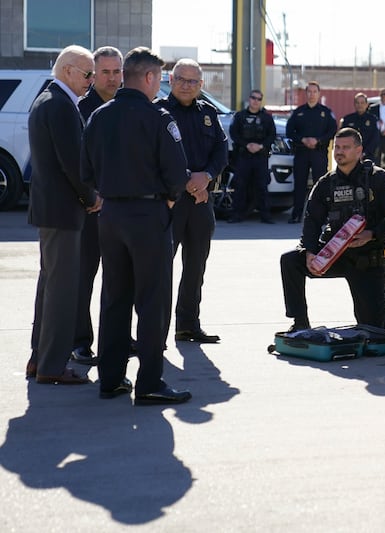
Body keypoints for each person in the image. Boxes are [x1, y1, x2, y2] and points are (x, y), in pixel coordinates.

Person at [81, 47, 195, 404]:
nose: (160, 84)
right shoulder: (159, 118)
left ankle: (111, 379)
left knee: (114, 298)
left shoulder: (98, 116)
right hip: (148, 216)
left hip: (110, 216)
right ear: (148, 78)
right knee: (152, 300)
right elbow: (178, 175)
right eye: (159, 78)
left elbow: (86, 173)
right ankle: (149, 383)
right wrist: (170, 196)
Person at [26, 45, 101, 384]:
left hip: (52, 209)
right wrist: (91, 196)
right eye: (88, 74)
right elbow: (72, 162)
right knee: (61, 290)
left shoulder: (49, 99)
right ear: (68, 70)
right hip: (63, 209)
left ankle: (40, 357)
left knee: (51, 285)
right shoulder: (60, 104)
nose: (92, 80)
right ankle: (52, 366)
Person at [279, 128, 385, 331]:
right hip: (333, 255)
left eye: (346, 147)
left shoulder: (379, 179)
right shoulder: (326, 183)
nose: (339, 152)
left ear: (359, 150)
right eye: (337, 147)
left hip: (367, 259)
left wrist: (372, 234)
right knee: (291, 260)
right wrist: (309, 251)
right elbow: (312, 220)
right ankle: (299, 322)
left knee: (373, 328)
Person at [156, 59, 228, 344]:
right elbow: (156, 156)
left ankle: (188, 325)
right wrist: (188, 180)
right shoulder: (158, 112)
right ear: (170, 80)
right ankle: (155, 330)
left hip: (201, 202)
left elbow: (221, 151)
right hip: (169, 202)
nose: (187, 85)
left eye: (193, 81)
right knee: (161, 267)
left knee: (196, 266)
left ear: (201, 84)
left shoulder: (208, 113)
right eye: (182, 80)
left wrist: (207, 177)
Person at [71, 45, 123, 366]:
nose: (112, 78)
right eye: (105, 72)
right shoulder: (81, 108)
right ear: (93, 73)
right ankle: (80, 341)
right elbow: (75, 162)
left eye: (117, 72)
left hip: (121, 209)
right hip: (89, 208)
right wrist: (89, 197)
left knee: (119, 280)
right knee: (85, 277)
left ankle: (115, 338)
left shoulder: (126, 106)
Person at [285, 81, 337, 223]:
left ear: (319, 94)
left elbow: (332, 130)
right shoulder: (299, 112)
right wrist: (302, 139)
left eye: (315, 92)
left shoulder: (326, 113)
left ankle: (322, 215)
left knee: (320, 184)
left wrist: (318, 140)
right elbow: (289, 131)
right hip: (301, 153)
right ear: (306, 93)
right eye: (309, 91)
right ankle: (296, 214)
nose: (312, 94)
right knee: (299, 185)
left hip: (319, 153)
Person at [228, 89, 276, 224]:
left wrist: (260, 146)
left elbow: (271, 135)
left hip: (260, 157)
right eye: (253, 98)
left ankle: (266, 216)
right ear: (249, 99)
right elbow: (234, 134)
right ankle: (236, 215)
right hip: (244, 156)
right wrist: (247, 145)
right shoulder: (240, 116)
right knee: (240, 186)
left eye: (259, 99)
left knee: (262, 186)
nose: (256, 101)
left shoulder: (266, 118)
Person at [339, 92, 380, 161]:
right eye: (357, 103)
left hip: (368, 157)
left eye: (362, 103)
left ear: (367, 105)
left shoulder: (373, 120)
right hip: (350, 156)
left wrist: (364, 153)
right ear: (354, 104)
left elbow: (375, 139)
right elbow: (343, 138)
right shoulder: (347, 119)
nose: (360, 105)